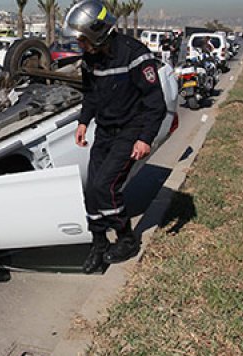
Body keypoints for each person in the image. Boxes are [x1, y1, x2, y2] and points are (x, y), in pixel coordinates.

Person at [64, 0, 167, 274]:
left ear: (98, 32)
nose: (80, 46)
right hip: (105, 132)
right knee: (91, 191)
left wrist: (145, 138)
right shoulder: (90, 60)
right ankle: (98, 242)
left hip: (130, 131)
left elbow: (156, 103)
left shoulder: (135, 55)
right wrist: (83, 122)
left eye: (83, 39)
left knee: (105, 188)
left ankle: (126, 238)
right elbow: (91, 95)